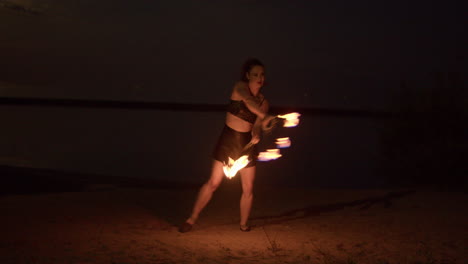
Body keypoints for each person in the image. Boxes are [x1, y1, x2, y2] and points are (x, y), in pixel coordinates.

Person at [179, 58, 276, 233]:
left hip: (246, 144)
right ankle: (191, 219)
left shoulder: (264, 102)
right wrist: (264, 115)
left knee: (248, 188)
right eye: (255, 74)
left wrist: (256, 133)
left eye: (262, 74)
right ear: (247, 75)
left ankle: (244, 225)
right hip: (228, 140)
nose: (259, 78)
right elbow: (248, 101)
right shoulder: (239, 87)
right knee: (213, 182)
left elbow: (257, 124)